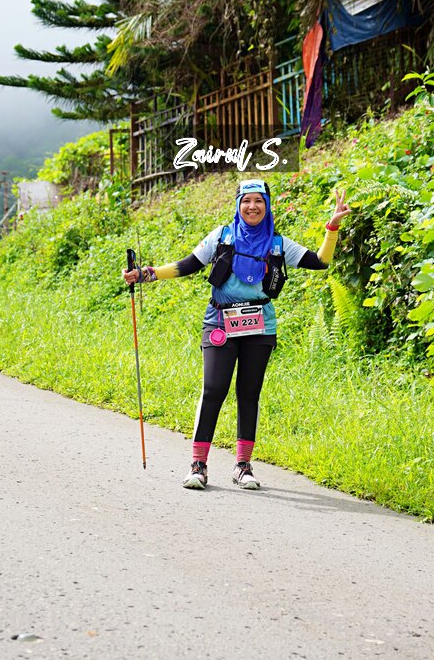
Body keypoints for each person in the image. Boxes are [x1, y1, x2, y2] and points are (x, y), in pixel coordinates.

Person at [123, 178, 350, 490]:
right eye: (246, 201)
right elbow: (188, 265)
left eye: (258, 201)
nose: (252, 206)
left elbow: (320, 262)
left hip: (260, 325)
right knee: (214, 389)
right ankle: (198, 465)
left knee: (249, 393)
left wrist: (332, 227)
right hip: (219, 322)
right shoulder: (222, 236)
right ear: (238, 205)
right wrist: (147, 274)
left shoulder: (278, 244)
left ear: (267, 206)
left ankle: (243, 466)